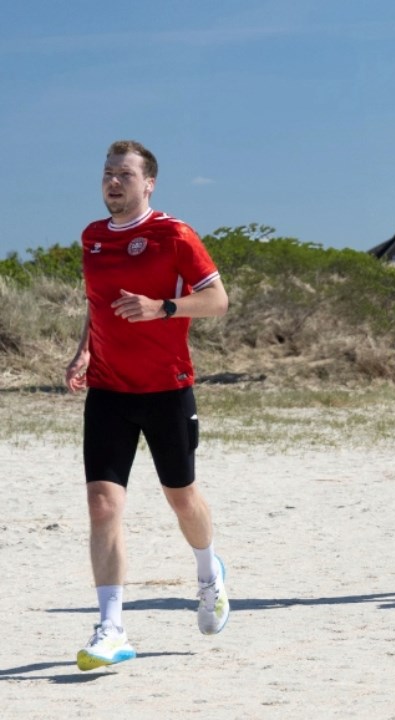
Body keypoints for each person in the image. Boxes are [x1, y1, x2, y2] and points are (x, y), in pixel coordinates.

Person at [65, 140, 231, 671]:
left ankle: (208, 573)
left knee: (181, 498)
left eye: (125, 174)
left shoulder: (174, 234)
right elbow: (97, 304)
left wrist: (163, 307)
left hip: (167, 389)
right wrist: (84, 350)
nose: (113, 181)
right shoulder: (92, 237)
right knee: (102, 505)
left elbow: (217, 301)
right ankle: (111, 627)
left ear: (149, 183)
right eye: (108, 173)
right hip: (109, 391)